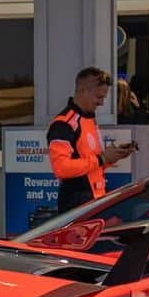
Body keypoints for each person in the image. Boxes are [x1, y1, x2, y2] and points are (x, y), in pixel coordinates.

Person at [47, 67, 134, 213]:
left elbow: (93, 164)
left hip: (95, 200)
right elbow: (61, 168)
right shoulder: (63, 123)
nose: (101, 103)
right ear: (83, 91)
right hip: (76, 204)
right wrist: (102, 158)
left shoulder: (88, 119)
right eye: (99, 97)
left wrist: (112, 157)